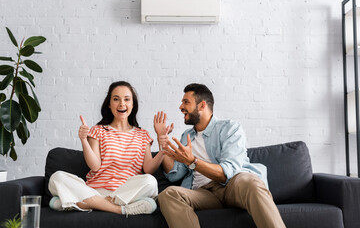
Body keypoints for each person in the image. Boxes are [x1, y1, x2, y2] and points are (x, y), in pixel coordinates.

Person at [154, 83, 286, 228]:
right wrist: (163, 140)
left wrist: (193, 161)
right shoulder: (187, 136)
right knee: (168, 194)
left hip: (232, 186)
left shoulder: (229, 128)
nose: (181, 107)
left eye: (186, 102)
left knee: (251, 182)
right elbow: (174, 174)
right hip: (204, 193)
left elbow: (227, 173)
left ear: (202, 105)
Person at [48, 81, 165, 215]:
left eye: (127, 99)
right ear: (109, 104)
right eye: (116, 99)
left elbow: (148, 169)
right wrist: (83, 140)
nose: (122, 104)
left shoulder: (142, 135)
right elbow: (95, 166)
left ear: (133, 104)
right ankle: (117, 209)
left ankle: (83, 203)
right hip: (95, 191)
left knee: (150, 182)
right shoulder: (98, 131)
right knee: (56, 178)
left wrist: (163, 150)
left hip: (125, 193)